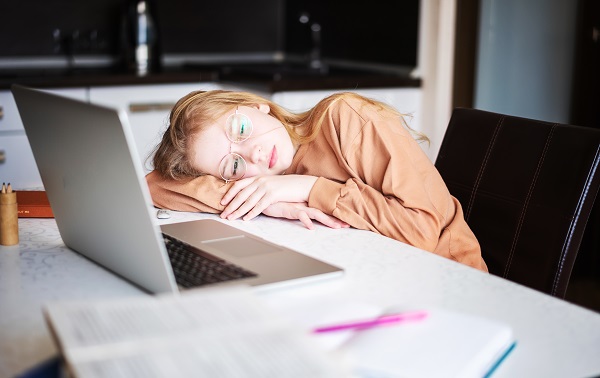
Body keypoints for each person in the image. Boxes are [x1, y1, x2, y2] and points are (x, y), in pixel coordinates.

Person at [146, 90, 488, 272]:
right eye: (232, 166)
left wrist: (308, 188)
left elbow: (422, 233)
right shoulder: (265, 178)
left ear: (255, 106)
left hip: (447, 277)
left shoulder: (346, 118)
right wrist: (269, 198)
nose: (251, 154)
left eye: (241, 130)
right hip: (376, 271)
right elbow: (154, 185)